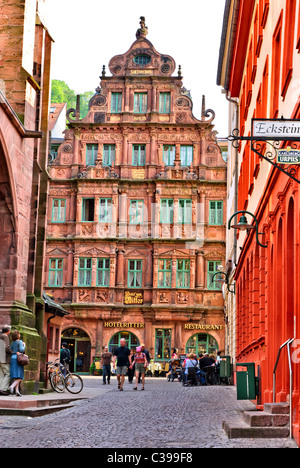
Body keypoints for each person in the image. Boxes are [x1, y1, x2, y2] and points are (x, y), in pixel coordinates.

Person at [9, 330, 26, 397]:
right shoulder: (20, 342)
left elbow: (11, 352)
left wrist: (14, 353)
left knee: (15, 375)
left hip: (13, 359)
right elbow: (22, 350)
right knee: (20, 375)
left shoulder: (13, 343)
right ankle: (12, 386)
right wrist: (24, 345)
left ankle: (17, 391)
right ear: (18, 335)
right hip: (19, 359)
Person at [0, 326, 12, 395]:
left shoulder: (0, 335)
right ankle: (3, 389)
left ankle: (0, 388)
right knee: (8, 373)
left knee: (1, 374)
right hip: (4, 358)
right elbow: (7, 347)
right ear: (8, 331)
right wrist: (11, 351)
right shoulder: (5, 336)